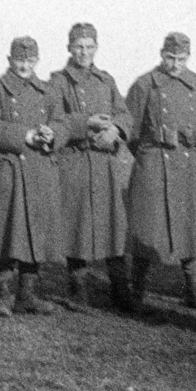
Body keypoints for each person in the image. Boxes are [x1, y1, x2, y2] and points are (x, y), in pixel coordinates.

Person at [126, 32, 196, 311]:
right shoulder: (144, 85)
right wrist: (151, 151)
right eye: (170, 58)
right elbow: (131, 132)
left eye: (181, 59)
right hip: (153, 161)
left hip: (187, 164)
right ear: (161, 54)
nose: (175, 64)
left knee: (192, 226)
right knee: (146, 226)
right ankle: (136, 288)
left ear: (188, 57)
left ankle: (193, 288)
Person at [49, 23, 132, 312]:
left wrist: (116, 131)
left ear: (96, 48)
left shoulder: (106, 80)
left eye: (89, 47)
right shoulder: (59, 81)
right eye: (78, 47)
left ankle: (121, 291)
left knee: (114, 223)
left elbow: (123, 113)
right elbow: (56, 120)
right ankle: (78, 290)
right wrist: (87, 124)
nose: (84, 52)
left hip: (104, 163)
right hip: (74, 160)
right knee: (77, 224)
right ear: (69, 48)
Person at [0, 37, 63, 316]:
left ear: (37, 61)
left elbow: (60, 121)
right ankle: (2, 295)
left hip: (40, 168)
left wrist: (52, 134)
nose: (24, 65)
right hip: (8, 167)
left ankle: (27, 295)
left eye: (30, 60)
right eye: (19, 60)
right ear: (9, 60)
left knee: (35, 231)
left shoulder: (48, 91)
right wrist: (22, 135)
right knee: (3, 230)